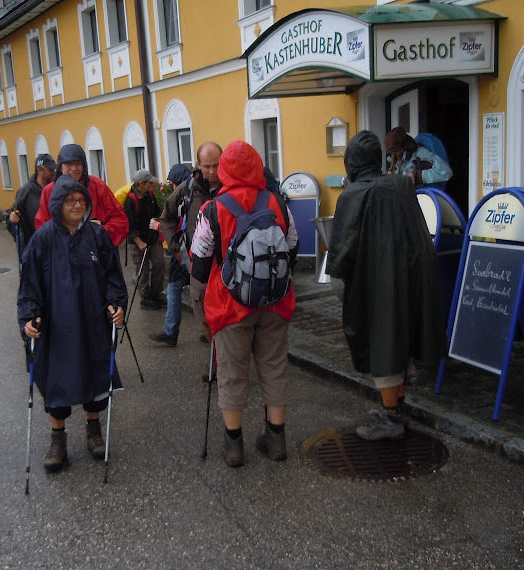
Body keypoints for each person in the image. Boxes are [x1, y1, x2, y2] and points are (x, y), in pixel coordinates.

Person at [327, 130, 446, 440]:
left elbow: (342, 248)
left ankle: (391, 418)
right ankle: (397, 409)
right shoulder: (402, 185)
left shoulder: (353, 194)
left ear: (352, 161)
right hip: (413, 276)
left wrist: (339, 275)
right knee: (401, 342)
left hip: (379, 283)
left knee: (384, 344)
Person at [191, 141, 298, 468]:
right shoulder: (277, 202)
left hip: (230, 306)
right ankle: (276, 439)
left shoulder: (213, 208)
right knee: (274, 367)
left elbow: (199, 264)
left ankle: (234, 446)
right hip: (275, 302)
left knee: (232, 373)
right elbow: (292, 246)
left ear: (224, 170)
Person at [18, 176, 128, 473]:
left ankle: (94, 431)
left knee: (95, 375)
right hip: (55, 326)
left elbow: (113, 276)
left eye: (81, 200)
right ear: (57, 205)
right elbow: (29, 284)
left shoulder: (97, 235)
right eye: (70, 201)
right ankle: (58, 439)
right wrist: (28, 318)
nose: (78, 205)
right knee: (56, 379)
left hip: (92, 321)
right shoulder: (43, 239)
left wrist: (116, 303)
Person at [152, 143, 222, 346]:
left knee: (226, 321)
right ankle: (216, 359)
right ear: (198, 164)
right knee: (204, 319)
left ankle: (224, 361)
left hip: (226, 266)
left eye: (216, 165)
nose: (212, 171)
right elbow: (166, 218)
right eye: (207, 166)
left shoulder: (231, 186)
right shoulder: (188, 188)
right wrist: (176, 249)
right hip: (198, 266)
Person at [34, 144, 129, 247]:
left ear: (84, 166)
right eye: (69, 164)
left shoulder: (98, 186)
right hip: (64, 252)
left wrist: (99, 231)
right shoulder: (49, 191)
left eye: (78, 164)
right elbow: (42, 226)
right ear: (60, 167)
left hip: (96, 251)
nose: (74, 168)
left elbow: (120, 221)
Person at [147, 164, 192, 346]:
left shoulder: (185, 197)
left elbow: (182, 229)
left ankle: (170, 331)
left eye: (172, 184)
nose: (172, 188)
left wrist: (159, 227)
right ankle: (209, 330)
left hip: (183, 250)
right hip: (195, 250)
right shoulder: (196, 192)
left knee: (174, 288)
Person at [124, 169, 165, 310]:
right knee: (143, 270)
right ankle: (145, 298)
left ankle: (156, 293)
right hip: (138, 242)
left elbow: (158, 211)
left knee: (159, 263)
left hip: (153, 238)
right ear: (141, 183)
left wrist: (158, 219)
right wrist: (139, 242)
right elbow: (129, 226)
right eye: (149, 183)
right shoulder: (130, 201)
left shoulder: (150, 195)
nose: (152, 185)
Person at [7, 153, 57, 251]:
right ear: (40, 170)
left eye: (53, 170)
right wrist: (12, 218)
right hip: (34, 245)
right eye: (50, 170)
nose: (53, 172)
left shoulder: (57, 188)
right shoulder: (25, 192)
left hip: (54, 243)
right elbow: (12, 217)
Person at [385, 126, 452, 189]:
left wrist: (419, 176)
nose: (395, 154)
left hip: (420, 194)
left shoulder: (420, 153)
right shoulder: (395, 160)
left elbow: (446, 172)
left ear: (403, 147)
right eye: (392, 152)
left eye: (396, 151)